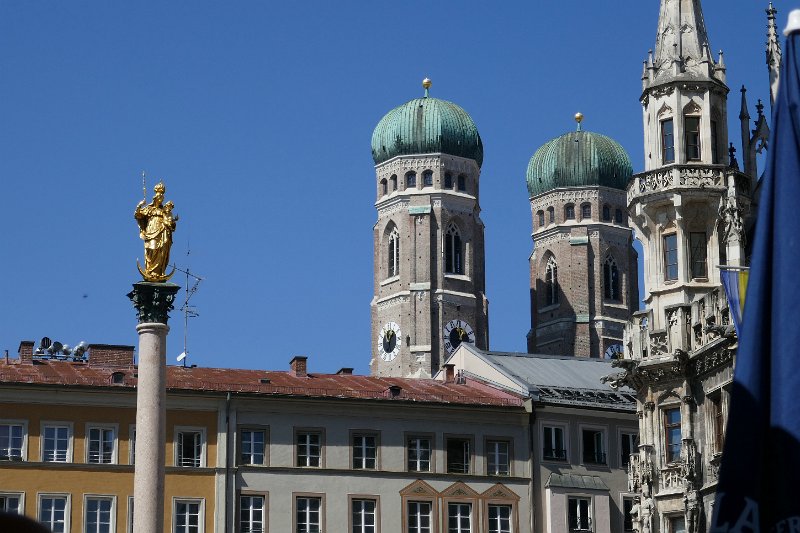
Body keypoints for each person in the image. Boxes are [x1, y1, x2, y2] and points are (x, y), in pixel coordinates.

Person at [135, 182, 178, 281]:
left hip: (162, 232)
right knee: (152, 248)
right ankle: (150, 271)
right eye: (159, 198)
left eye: (162, 198)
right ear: (155, 199)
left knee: (162, 251)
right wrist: (139, 206)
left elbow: (170, 222)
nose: (160, 200)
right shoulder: (149, 209)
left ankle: (159, 272)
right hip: (152, 231)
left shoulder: (165, 211)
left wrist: (172, 223)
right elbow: (138, 215)